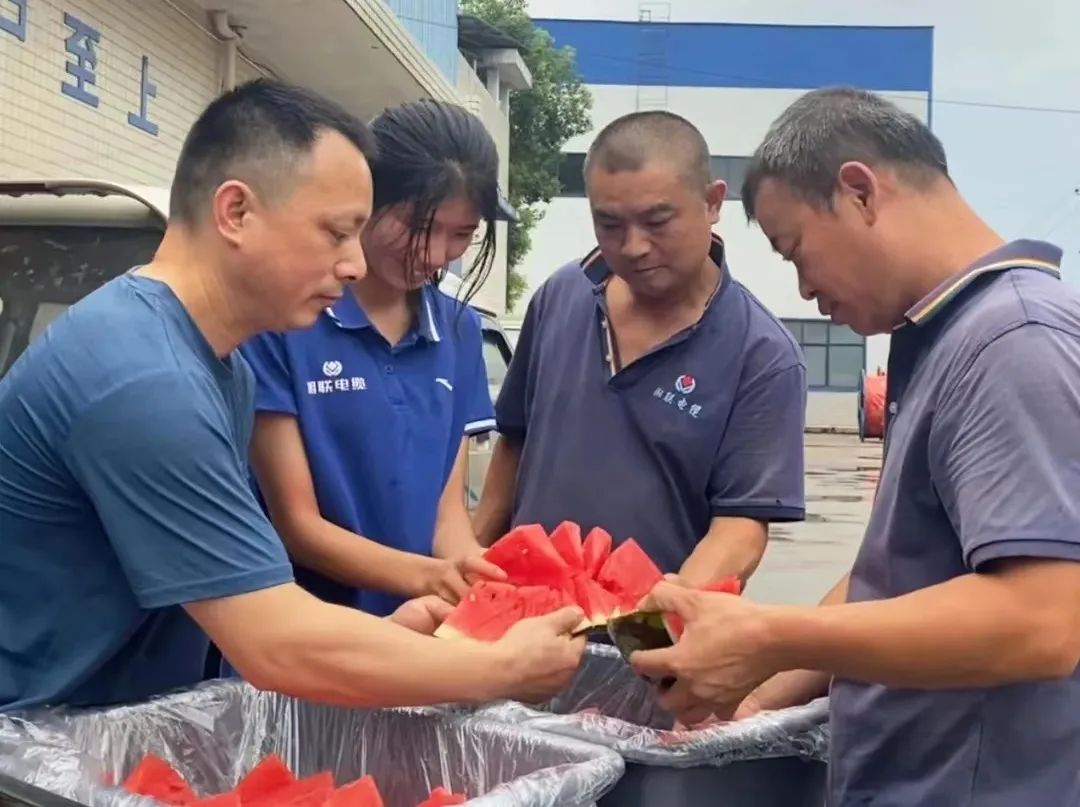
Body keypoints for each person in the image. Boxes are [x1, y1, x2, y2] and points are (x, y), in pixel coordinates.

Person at [0, 78, 585, 712]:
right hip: (34, 736)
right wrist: (503, 666)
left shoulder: (221, 367)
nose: (354, 265)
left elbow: (242, 602)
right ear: (236, 212)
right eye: (335, 233)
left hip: (114, 722)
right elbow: (274, 641)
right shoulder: (145, 381)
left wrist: (391, 638)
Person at [629, 87, 1080, 806]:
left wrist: (772, 634)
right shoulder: (940, 338)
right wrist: (758, 693)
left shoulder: (1013, 341)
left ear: (860, 192)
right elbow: (892, 577)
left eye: (797, 251)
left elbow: (1043, 620)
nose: (805, 288)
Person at [474, 110, 806, 588]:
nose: (633, 247)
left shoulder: (763, 355)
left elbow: (741, 527)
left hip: (653, 625)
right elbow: (514, 443)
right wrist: (474, 564)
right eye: (609, 224)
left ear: (713, 202)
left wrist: (662, 609)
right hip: (520, 614)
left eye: (657, 221)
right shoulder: (560, 296)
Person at [238, 99, 510, 619]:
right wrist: (434, 579)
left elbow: (447, 519)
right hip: (305, 635)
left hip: (422, 633)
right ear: (367, 200)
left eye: (462, 234)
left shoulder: (459, 330)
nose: (435, 255)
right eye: (417, 225)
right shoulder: (285, 319)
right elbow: (298, 526)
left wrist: (480, 580)